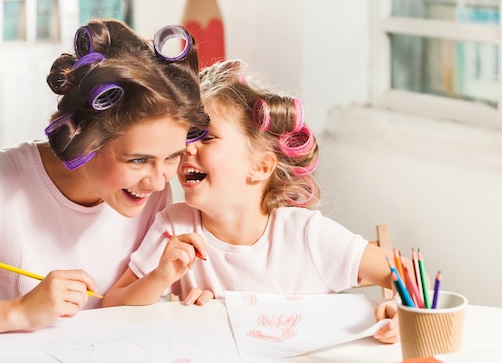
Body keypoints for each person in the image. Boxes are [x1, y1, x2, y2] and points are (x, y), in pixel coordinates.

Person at [0, 18, 209, 347]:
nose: (157, 180)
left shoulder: (151, 193)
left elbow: (119, 312)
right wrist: (19, 312)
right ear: (87, 139)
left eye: (172, 157)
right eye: (138, 160)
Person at [103, 59, 400, 344]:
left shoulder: (306, 234)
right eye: (189, 135)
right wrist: (160, 277)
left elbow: (408, 274)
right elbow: (112, 306)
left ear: (259, 167)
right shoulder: (174, 225)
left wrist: (402, 311)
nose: (187, 147)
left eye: (207, 137)